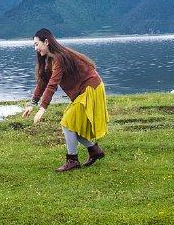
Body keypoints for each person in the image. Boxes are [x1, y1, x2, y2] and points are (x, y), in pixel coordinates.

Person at [21, 28, 109, 171]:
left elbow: (52, 84)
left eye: (37, 44)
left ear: (47, 42)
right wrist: (32, 104)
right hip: (83, 91)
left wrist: (42, 108)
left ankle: (72, 160)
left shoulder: (59, 58)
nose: (35, 48)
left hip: (91, 89)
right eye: (34, 45)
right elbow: (43, 81)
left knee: (68, 124)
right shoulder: (49, 59)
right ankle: (94, 151)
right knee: (72, 125)